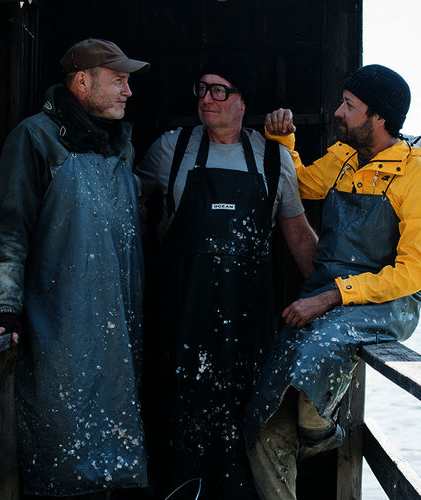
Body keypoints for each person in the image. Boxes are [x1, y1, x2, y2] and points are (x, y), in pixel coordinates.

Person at [243, 64, 421, 499]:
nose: (338, 112)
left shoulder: (420, 174)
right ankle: (312, 436)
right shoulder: (342, 157)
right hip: (326, 295)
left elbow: (415, 272)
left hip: (388, 302)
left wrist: (335, 296)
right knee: (261, 423)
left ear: (378, 118)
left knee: (314, 351)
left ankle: (321, 433)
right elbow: (301, 186)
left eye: (349, 106)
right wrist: (283, 142)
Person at [135, 53, 318, 499]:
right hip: (180, 328)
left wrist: (332, 297)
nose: (207, 99)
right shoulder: (171, 149)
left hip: (248, 335)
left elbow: (298, 238)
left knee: (243, 444)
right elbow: (128, 216)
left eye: (220, 90)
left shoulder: (273, 159)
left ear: (242, 101)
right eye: (202, 88)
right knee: (178, 440)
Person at [0, 38, 150, 498]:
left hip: (117, 328)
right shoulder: (35, 137)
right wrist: (5, 307)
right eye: (118, 80)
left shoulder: (121, 147)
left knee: (116, 460)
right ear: (81, 81)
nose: (127, 91)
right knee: (62, 460)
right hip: (59, 326)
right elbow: (12, 228)